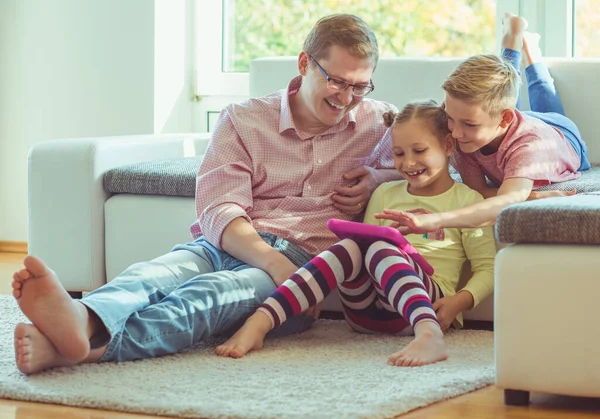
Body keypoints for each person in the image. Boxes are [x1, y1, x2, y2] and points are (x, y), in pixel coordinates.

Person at [11, 13, 403, 375]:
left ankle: (84, 348)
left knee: (207, 296)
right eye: (337, 80)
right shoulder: (244, 119)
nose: (347, 96)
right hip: (227, 244)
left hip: (304, 266)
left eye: (359, 85)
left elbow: (435, 169)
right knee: (153, 274)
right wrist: (272, 262)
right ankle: (84, 317)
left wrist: (378, 177)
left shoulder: (379, 122)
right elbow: (219, 208)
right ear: (304, 63)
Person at [215, 101, 496, 367]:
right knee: (354, 244)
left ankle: (429, 336)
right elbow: (363, 252)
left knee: (381, 247)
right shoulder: (386, 192)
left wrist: (459, 302)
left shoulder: (467, 202)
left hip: (427, 308)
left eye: (419, 151)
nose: (408, 163)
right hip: (366, 315)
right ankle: (260, 321)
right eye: (399, 153)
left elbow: (488, 268)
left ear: (448, 145)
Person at [379, 13, 591, 235]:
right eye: (451, 117)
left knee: (542, 94)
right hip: (507, 120)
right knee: (496, 100)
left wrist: (437, 220)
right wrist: (533, 196)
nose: (457, 134)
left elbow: (504, 201)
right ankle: (512, 39)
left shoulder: (530, 146)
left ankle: (529, 49)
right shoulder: (463, 133)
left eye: (469, 124)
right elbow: (479, 191)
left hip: (562, 134)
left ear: (506, 119)